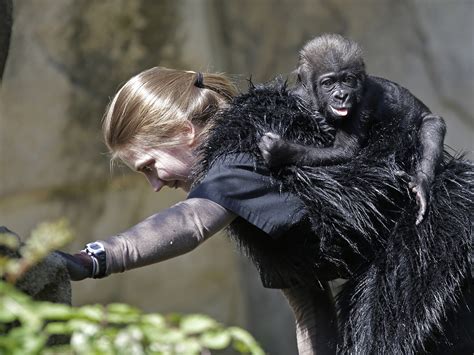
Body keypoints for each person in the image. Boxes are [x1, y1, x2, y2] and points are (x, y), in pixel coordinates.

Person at [60, 67, 338, 354]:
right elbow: (311, 307)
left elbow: (191, 221)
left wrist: (93, 259)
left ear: (185, 130)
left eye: (150, 166)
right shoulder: (248, 186)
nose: (155, 184)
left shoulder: (243, 151)